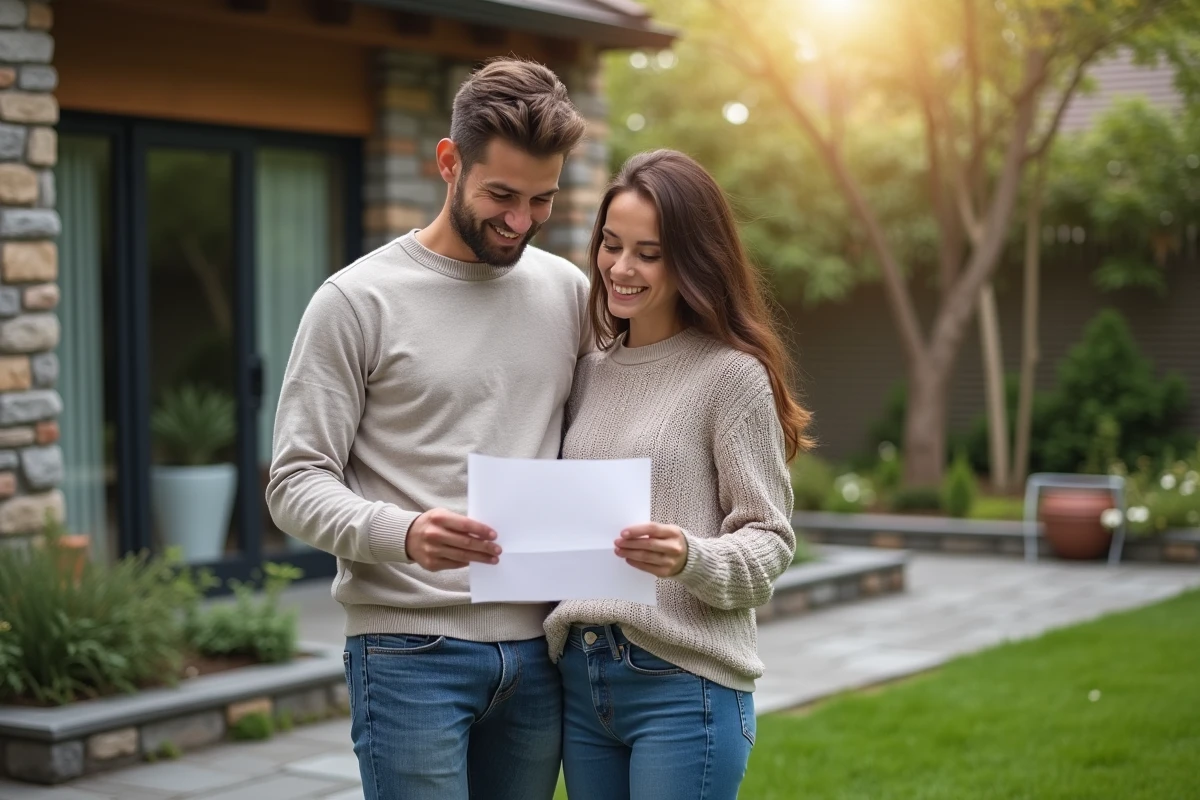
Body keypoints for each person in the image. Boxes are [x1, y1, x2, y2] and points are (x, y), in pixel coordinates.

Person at [266, 58, 590, 800]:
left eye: (542, 200)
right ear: (449, 162)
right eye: (501, 195)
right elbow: (293, 483)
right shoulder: (355, 301)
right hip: (408, 651)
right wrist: (403, 532)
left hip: (540, 650)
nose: (520, 222)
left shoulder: (568, 292)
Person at [544, 149, 811, 800]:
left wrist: (687, 556)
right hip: (581, 680)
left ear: (692, 258)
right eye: (611, 245)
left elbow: (770, 541)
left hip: (682, 684)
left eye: (648, 252)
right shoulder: (588, 372)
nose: (620, 268)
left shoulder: (730, 376)